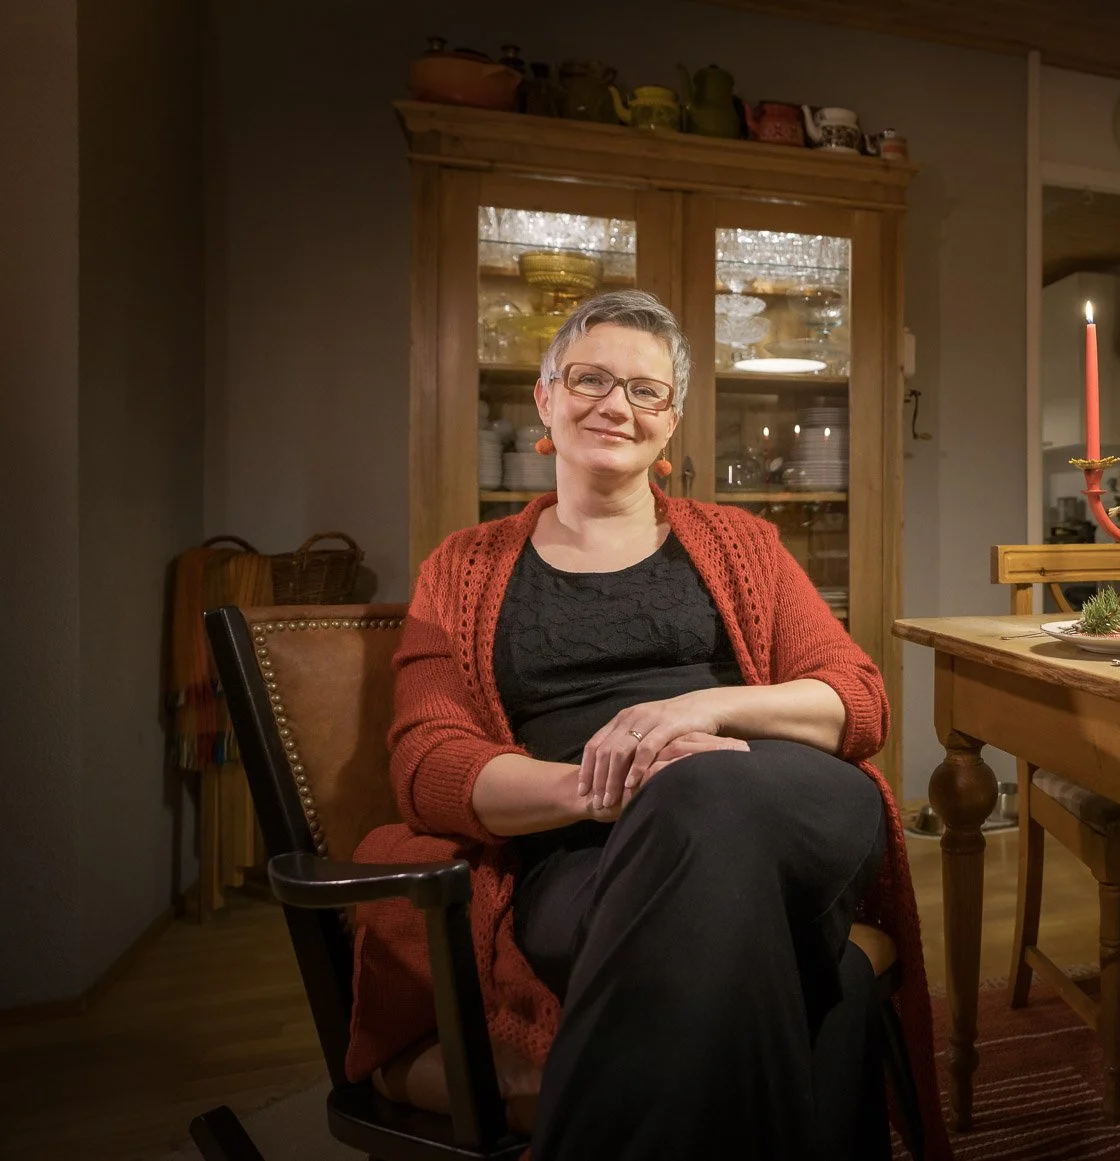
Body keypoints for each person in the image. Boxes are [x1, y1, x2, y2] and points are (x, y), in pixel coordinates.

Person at [343, 289, 946, 1159]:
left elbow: (856, 699)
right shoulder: (462, 568)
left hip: (785, 802)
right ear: (545, 398)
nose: (616, 405)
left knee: (703, 787)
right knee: (821, 972)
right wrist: (601, 789)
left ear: (671, 422)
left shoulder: (744, 543)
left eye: (645, 390)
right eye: (590, 378)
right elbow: (429, 763)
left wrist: (697, 711)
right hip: (580, 859)